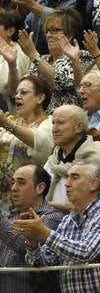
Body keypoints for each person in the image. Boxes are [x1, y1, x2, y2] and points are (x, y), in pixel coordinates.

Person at [18, 161, 100, 293]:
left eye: (74, 178)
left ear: (93, 184)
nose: (67, 184)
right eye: (67, 178)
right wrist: (31, 241)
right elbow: (42, 263)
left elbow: (86, 253)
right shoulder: (67, 221)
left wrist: (45, 233)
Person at [0, 163, 63, 293]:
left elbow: (23, 245)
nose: (13, 188)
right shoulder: (9, 218)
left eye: (21, 182)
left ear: (40, 188)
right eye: (12, 182)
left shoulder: (52, 218)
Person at [0, 75, 53, 204]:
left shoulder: (49, 124)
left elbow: (42, 145)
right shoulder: (9, 120)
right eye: (16, 93)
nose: (17, 96)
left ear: (40, 98)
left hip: (27, 198)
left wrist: (6, 123)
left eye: (23, 93)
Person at [44, 105, 100, 205]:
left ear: (79, 127)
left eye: (61, 123)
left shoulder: (94, 158)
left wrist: (61, 209)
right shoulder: (53, 159)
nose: (54, 129)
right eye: (53, 123)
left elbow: (99, 202)